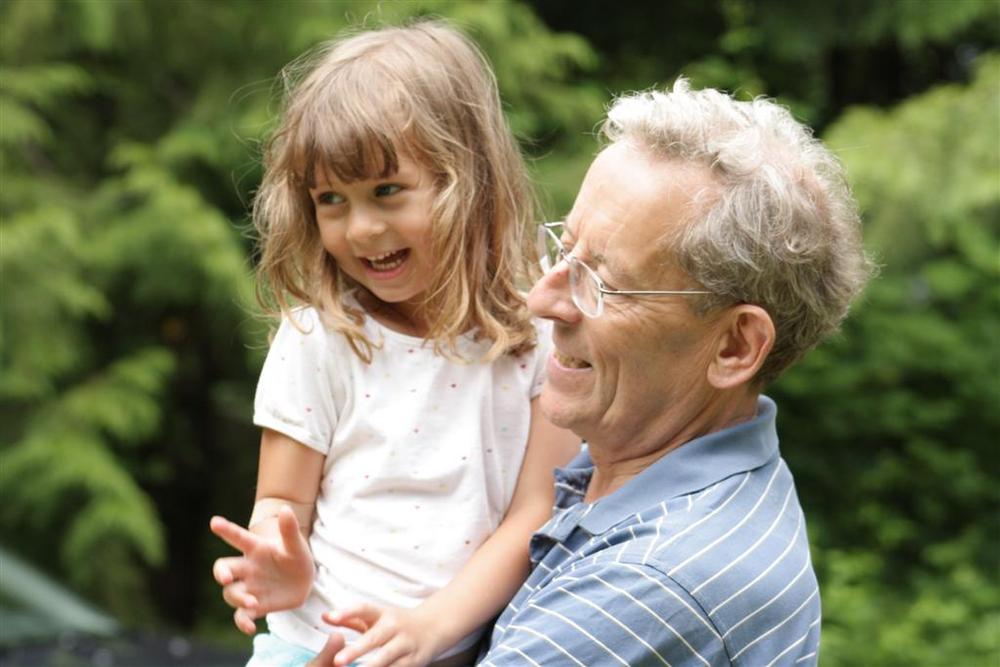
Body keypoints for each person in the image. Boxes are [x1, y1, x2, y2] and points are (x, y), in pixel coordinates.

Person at [313, 79, 873, 666]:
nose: (541, 301)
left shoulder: (643, 588)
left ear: (735, 346)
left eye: (600, 282)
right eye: (564, 249)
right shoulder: (671, 484)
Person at [208, 21, 579, 667]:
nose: (361, 228)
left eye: (386, 191)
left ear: (468, 179)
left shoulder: (539, 333)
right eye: (331, 200)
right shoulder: (320, 337)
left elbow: (535, 514)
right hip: (311, 647)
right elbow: (282, 501)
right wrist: (278, 560)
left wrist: (432, 627)